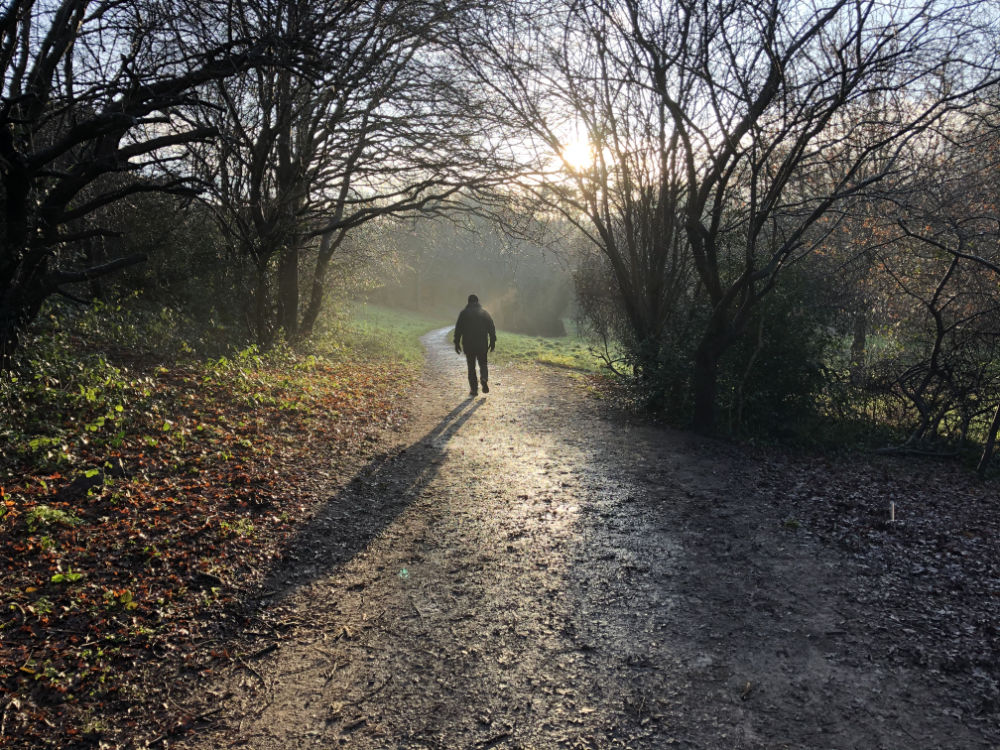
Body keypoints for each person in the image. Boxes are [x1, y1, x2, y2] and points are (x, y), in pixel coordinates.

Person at [454, 294, 496, 396]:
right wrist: (492, 341)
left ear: (468, 302)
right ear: (477, 301)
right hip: (482, 344)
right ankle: (484, 378)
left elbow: (458, 329)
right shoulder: (484, 313)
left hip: (469, 345)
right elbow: (491, 328)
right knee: (483, 363)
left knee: (471, 367)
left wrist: (457, 343)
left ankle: (474, 389)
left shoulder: (463, 313)